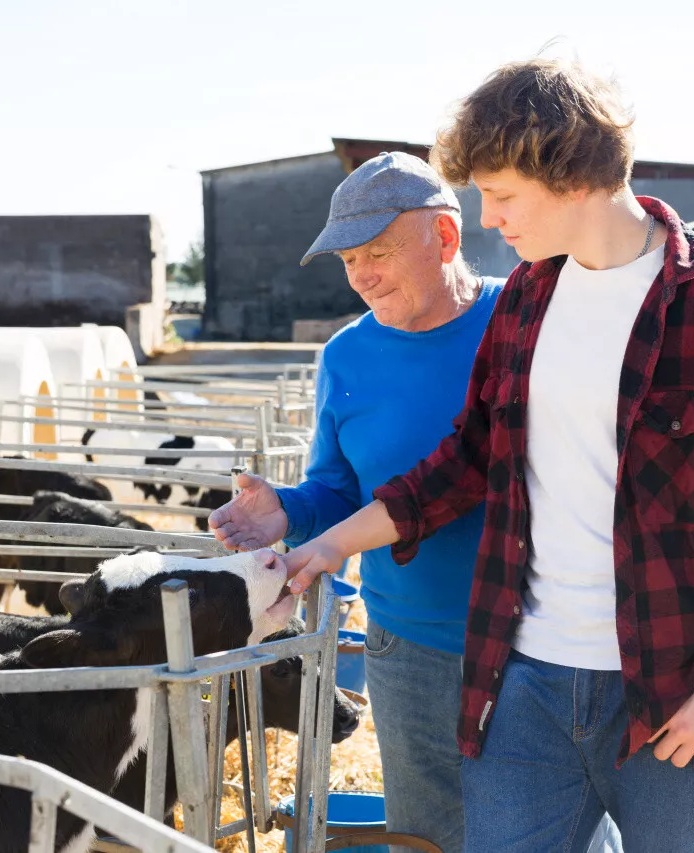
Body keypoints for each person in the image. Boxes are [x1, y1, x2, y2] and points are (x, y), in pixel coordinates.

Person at [279, 58, 694, 853]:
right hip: (521, 683)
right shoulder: (526, 302)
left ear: (574, 173)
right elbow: (467, 461)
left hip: (669, 687)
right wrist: (326, 546)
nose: (487, 216)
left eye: (503, 194)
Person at [208, 150, 621, 852]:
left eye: (378, 252)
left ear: (447, 238)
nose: (361, 276)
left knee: (568, 838)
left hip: (544, 641)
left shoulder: (525, 318)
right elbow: (341, 488)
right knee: (431, 834)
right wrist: (290, 509)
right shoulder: (346, 356)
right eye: (347, 261)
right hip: (410, 647)